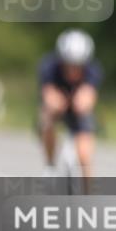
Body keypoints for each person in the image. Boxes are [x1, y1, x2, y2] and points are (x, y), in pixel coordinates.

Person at [38, 29, 102, 192]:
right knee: (46, 118)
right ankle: (50, 165)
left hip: (78, 110)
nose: (73, 69)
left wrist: (83, 101)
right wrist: (54, 101)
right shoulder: (49, 66)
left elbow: (89, 95)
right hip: (57, 106)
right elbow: (47, 92)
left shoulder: (93, 70)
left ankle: (89, 194)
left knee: (84, 155)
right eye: (69, 64)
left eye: (78, 65)